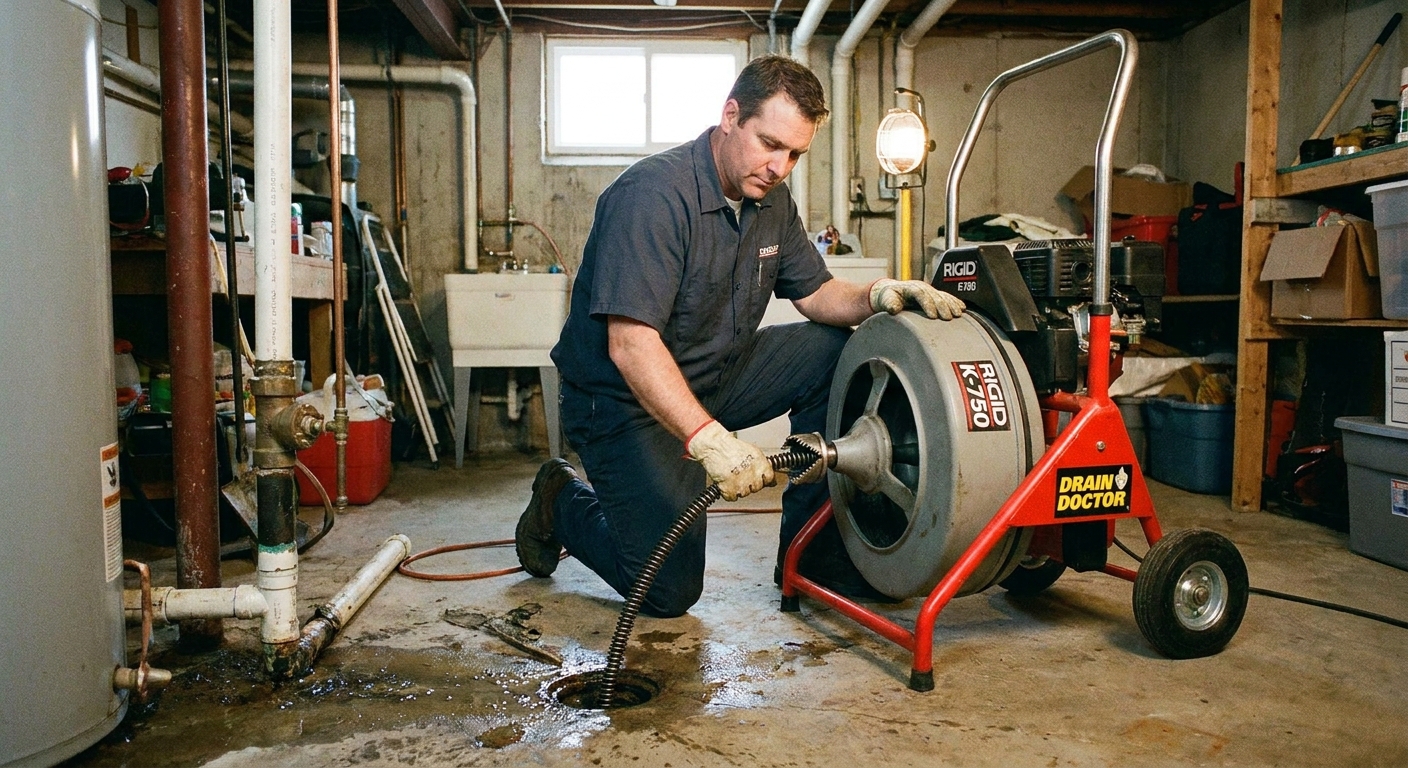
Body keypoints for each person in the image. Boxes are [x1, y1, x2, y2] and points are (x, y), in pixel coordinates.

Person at [515, 55, 964, 617]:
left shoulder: (770, 200)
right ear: (730, 116)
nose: (779, 167)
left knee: (836, 349)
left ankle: (811, 554)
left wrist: (879, 293)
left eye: (795, 154)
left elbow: (817, 294)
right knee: (668, 589)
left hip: (716, 376)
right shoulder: (651, 197)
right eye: (769, 144)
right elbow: (630, 345)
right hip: (622, 400)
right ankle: (560, 499)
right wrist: (709, 441)